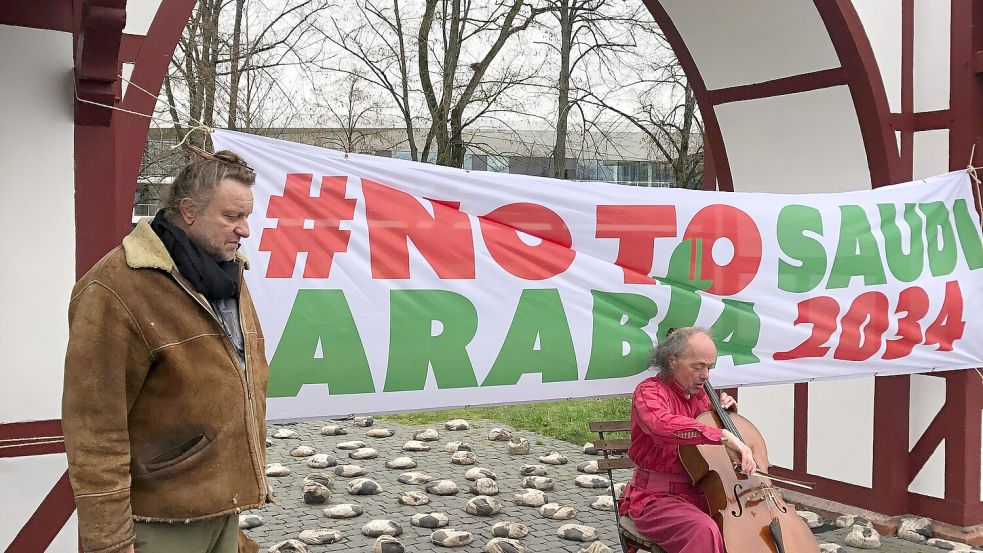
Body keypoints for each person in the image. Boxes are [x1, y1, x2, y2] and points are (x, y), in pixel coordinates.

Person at [62, 149, 269, 553]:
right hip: (158, 523)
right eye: (232, 217)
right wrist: (109, 542)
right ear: (189, 211)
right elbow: (94, 429)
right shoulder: (117, 286)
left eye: (247, 217)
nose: (244, 230)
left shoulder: (227, 275)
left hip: (223, 509)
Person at [619, 327, 756, 553]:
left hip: (703, 496)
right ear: (672, 360)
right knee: (704, 531)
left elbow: (712, 452)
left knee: (745, 529)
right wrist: (720, 435)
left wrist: (725, 417)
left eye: (709, 367)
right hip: (656, 500)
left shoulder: (703, 398)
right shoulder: (649, 392)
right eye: (698, 367)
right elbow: (661, 426)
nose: (706, 375)